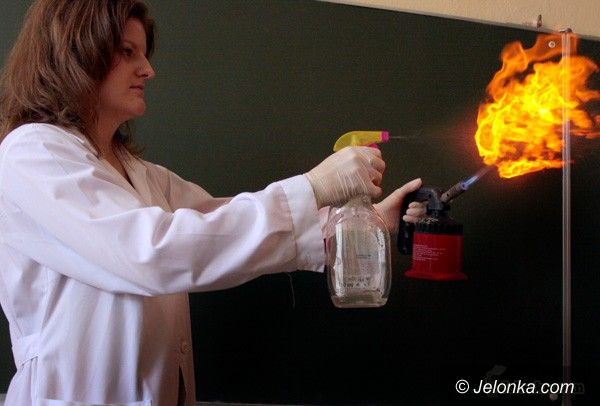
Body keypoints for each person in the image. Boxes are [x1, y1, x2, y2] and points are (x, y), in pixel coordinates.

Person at [0, 0, 425, 404]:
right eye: (128, 52)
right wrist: (314, 185)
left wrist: (362, 223)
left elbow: (218, 228)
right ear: (77, 53)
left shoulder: (138, 172)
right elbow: (152, 251)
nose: (147, 69)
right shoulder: (32, 153)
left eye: (143, 54)